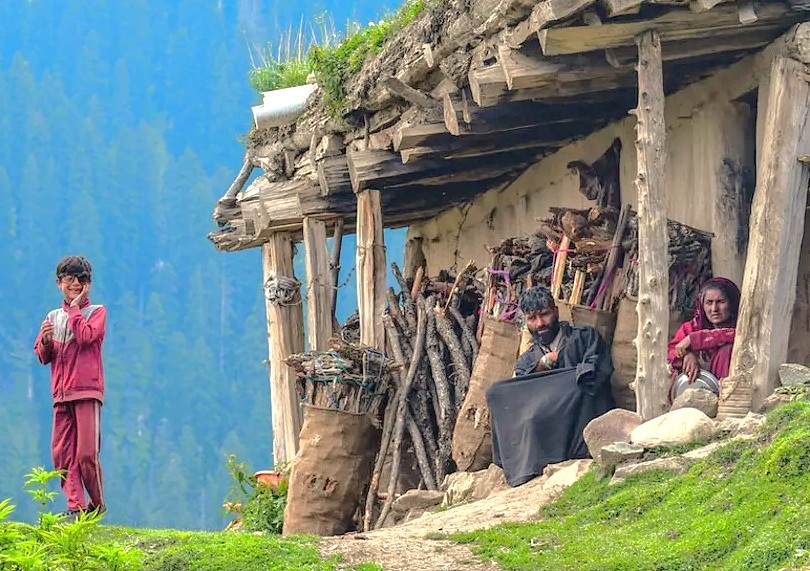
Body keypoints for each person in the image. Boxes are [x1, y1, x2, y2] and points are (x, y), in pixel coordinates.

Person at [486, 286, 615, 486]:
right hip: (546, 418)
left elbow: (596, 375)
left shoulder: (584, 337)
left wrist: (562, 366)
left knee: (579, 383)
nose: (540, 324)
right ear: (525, 321)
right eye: (532, 319)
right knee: (496, 393)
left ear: (556, 311)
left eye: (544, 315)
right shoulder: (527, 360)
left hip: (579, 413)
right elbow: (523, 394)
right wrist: (542, 364)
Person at [34, 256, 107, 517]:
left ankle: (97, 505)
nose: (75, 283)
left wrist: (75, 309)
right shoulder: (52, 317)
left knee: (87, 454)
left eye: (82, 278)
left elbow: (87, 337)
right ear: (59, 283)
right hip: (61, 395)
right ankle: (74, 507)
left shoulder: (96, 312)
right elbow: (43, 356)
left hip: (87, 392)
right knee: (62, 454)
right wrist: (45, 341)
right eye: (70, 278)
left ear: (89, 283)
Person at [667, 277, 740, 385]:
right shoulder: (691, 328)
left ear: (732, 304)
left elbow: (739, 336)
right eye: (709, 303)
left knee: (727, 350)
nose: (714, 309)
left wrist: (696, 339)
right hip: (694, 394)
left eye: (720, 302)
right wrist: (686, 355)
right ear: (702, 305)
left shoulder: (742, 326)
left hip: (731, 392)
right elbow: (671, 352)